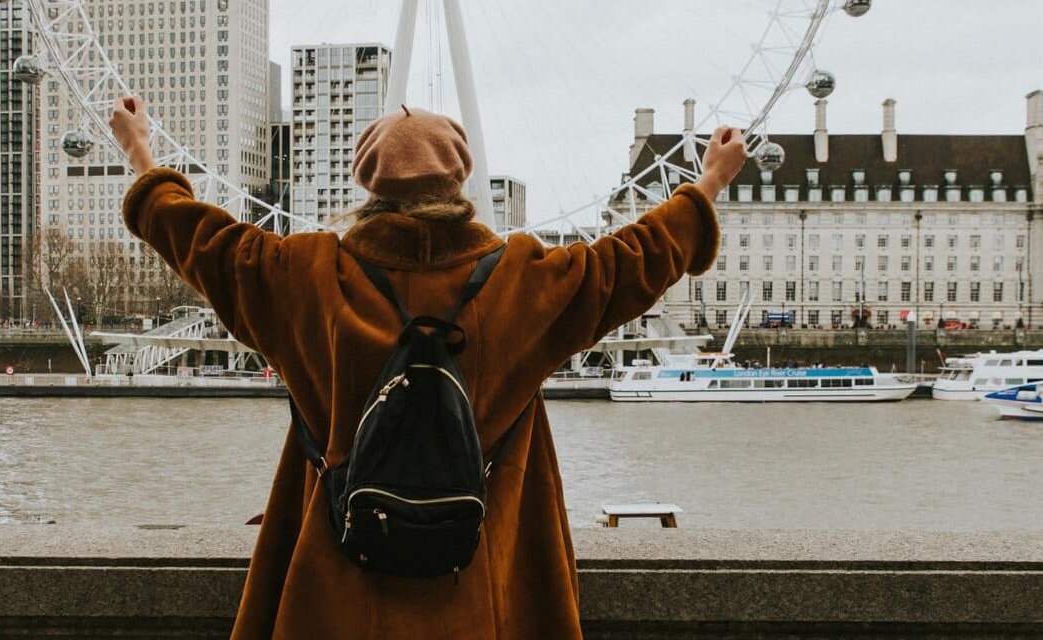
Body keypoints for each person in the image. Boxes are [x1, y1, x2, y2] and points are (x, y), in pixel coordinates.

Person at [111, 96, 745, 639]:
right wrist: (708, 183)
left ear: (369, 185)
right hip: (483, 587)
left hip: (334, 589)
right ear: (461, 180)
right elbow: (634, 258)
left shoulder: (300, 276)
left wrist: (142, 153)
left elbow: (196, 237)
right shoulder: (526, 282)